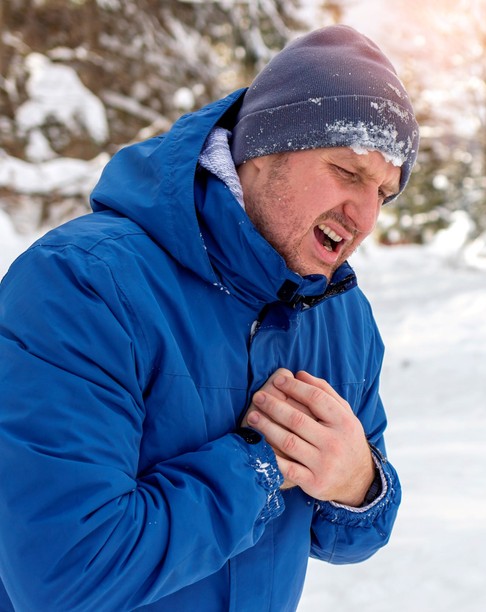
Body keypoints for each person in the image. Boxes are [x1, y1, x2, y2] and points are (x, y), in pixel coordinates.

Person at [0, 24, 418, 611]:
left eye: (384, 191)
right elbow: (65, 574)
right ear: (264, 147)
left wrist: (359, 484)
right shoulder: (82, 284)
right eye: (347, 172)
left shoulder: (342, 317)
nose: (365, 214)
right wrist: (260, 469)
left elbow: (347, 536)